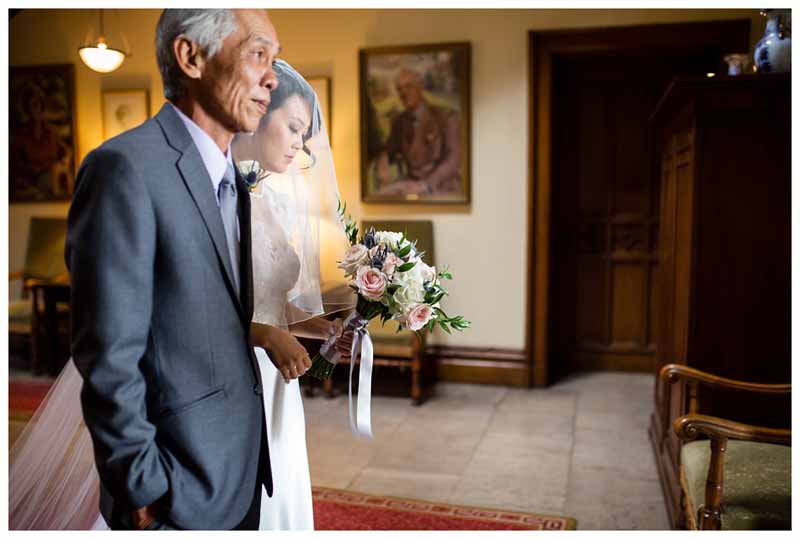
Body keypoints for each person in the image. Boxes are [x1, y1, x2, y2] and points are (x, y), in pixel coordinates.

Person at [9, 9, 353, 531]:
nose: (271, 76)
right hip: (175, 485)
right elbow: (107, 354)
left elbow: (221, 317)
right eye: (258, 54)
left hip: (237, 470)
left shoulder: (236, 186)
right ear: (191, 57)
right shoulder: (124, 169)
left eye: (275, 59)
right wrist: (142, 489)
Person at [374, 68, 461, 196]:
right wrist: (384, 159)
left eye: (409, 86)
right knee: (379, 196)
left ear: (420, 87)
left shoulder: (446, 117)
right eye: (399, 89)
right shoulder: (399, 122)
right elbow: (389, 149)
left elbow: (454, 159)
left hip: (442, 186)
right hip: (411, 185)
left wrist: (427, 184)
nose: (404, 93)